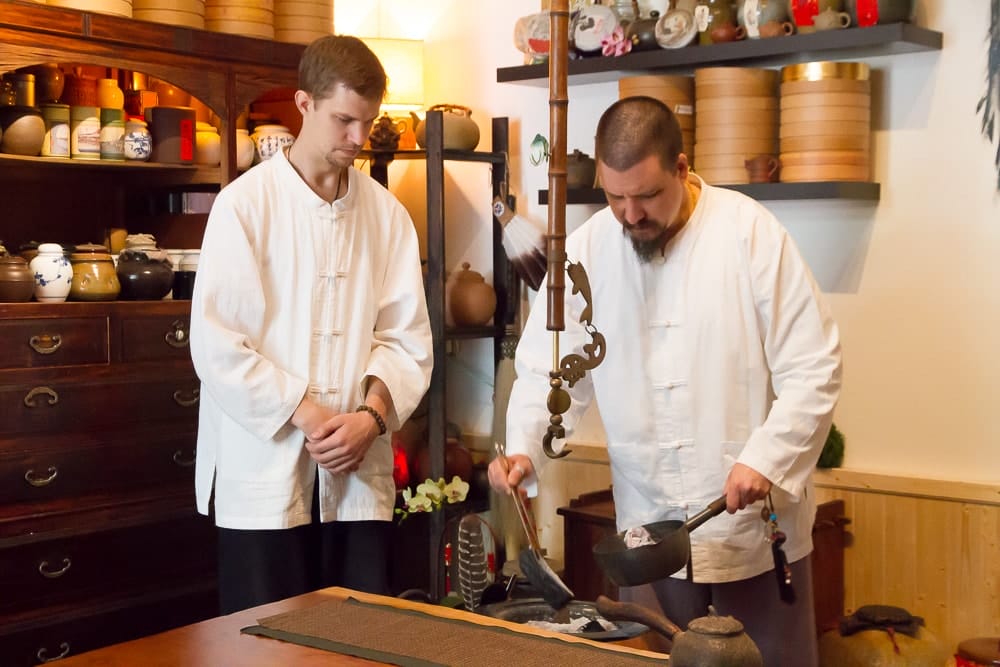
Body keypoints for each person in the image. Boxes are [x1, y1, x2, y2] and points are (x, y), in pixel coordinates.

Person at [488, 96, 841, 665]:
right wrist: (525, 448)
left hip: (748, 526)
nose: (630, 215)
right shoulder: (587, 251)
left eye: (647, 195)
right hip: (648, 534)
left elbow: (815, 366)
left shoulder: (750, 235)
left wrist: (768, 458)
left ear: (681, 168)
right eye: (615, 196)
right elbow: (547, 367)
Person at [190, 35, 433, 615]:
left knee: (360, 639)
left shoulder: (388, 216)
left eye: (367, 123)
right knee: (265, 642)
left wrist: (370, 420)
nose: (357, 138)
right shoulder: (243, 207)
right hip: (264, 472)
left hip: (357, 476)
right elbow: (218, 342)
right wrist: (310, 414)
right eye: (344, 120)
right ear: (303, 104)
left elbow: (406, 339)